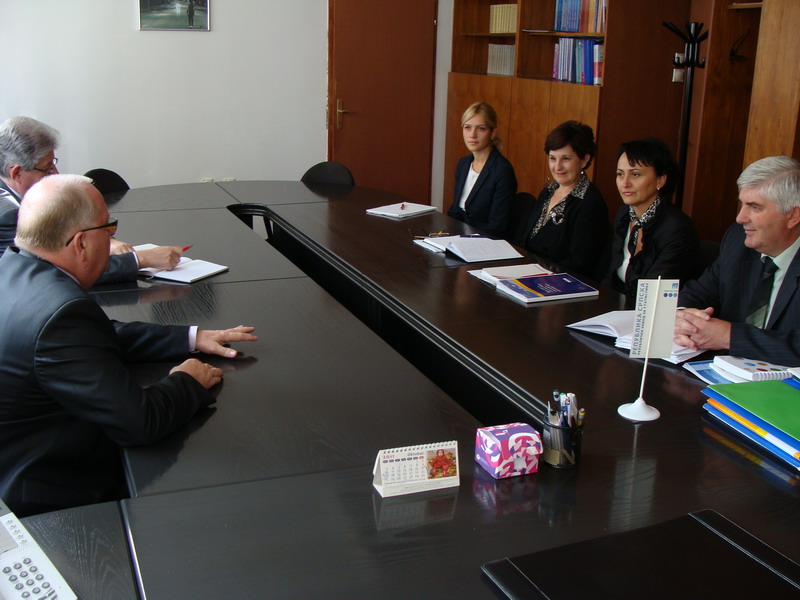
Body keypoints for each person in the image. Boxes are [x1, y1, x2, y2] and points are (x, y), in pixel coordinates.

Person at [0, 174, 257, 516]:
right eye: (108, 230)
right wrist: (187, 380)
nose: (113, 239)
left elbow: (92, 337)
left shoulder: (14, 268)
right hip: (53, 496)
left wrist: (191, 337)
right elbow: (139, 422)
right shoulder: (61, 314)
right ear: (80, 243)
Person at [0, 116, 183, 282]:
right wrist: (141, 259)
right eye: (47, 168)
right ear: (17, 172)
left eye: (54, 165)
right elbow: (58, 271)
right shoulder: (9, 214)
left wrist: (104, 242)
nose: (55, 174)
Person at [675, 156, 800, 365]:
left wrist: (729, 336)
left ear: (793, 215)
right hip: (723, 374)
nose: (740, 218)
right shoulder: (738, 241)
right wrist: (681, 319)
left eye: (755, 207)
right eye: (742, 204)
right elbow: (697, 293)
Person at [606, 138, 699, 300]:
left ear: (660, 180)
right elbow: (611, 275)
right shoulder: (625, 214)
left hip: (652, 309)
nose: (625, 183)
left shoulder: (677, 228)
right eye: (620, 174)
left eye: (635, 174)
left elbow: (654, 295)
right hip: (617, 304)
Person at [515, 120, 608, 278]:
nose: (557, 167)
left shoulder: (590, 203)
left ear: (584, 160)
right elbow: (525, 240)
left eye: (565, 159)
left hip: (557, 282)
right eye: (553, 158)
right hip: (527, 273)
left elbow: (579, 264)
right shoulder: (548, 192)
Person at [447, 102, 517, 238]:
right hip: (457, 236)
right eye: (467, 127)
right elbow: (454, 211)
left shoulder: (502, 171)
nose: (472, 135)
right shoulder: (463, 164)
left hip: (483, 241)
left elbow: (496, 227)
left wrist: (463, 239)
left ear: (492, 133)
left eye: (481, 129)